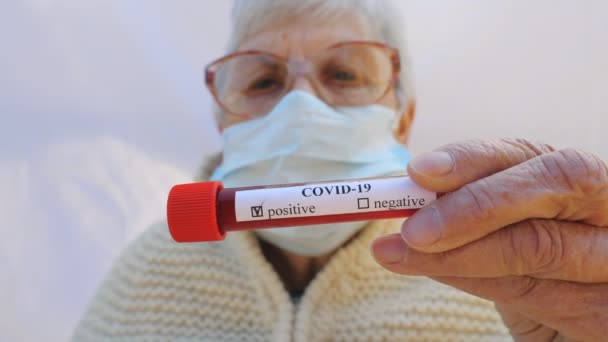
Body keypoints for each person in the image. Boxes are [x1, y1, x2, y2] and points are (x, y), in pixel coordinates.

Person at [73, 0, 608, 341]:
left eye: (344, 73)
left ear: (403, 119)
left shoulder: (502, 277)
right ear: (223, 122)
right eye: (263, 82)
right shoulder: (146, 276)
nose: (301, 108)